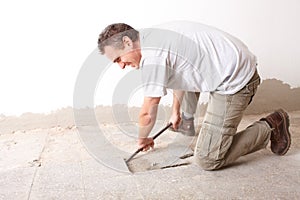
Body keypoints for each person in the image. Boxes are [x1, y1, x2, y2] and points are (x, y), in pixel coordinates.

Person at [97, 21, 291, 170]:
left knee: (208, 159)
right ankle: (186, 121)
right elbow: (178, 75)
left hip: (236, 80)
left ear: (127, 42)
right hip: (227, 63)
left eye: (118, 59)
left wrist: (142, 139)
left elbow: (148, 111)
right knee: (184, 87)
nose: (121, 66)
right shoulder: (152, 36)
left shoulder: (152, 56)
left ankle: (271, 126)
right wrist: (176, 112)